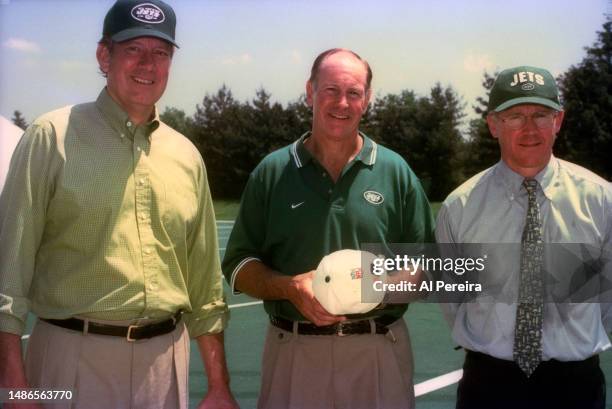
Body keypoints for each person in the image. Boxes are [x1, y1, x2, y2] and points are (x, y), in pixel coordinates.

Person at [0, 1, 238, 408]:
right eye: (133, 49)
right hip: (68, 363)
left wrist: (218, 386)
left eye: (160, 53)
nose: (148, 63)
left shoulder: (186, 155)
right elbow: (7, 278)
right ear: (103, 55)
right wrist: (16, 387)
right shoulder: (49, 137)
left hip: (165, 369)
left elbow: (205, 286)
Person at [222, 48, 435, 409]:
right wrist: (289, 288)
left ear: (366, 100)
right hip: (294, 352)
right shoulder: (272, 173)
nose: (342, 103)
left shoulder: (395, 172)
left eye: (353, 93)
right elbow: (239, 267)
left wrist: (382, 288)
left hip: (377, 351)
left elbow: (428, 263)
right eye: (330, 90)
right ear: (310, 91)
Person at [436, 65, 612, 409]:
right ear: (493, 125)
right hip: (489, 386)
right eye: (515, 116)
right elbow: (453, 300)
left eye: (541, 114)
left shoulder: (602, 200)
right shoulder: (460, 207)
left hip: (576, 386)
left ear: (558, 122)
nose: (529, 127)